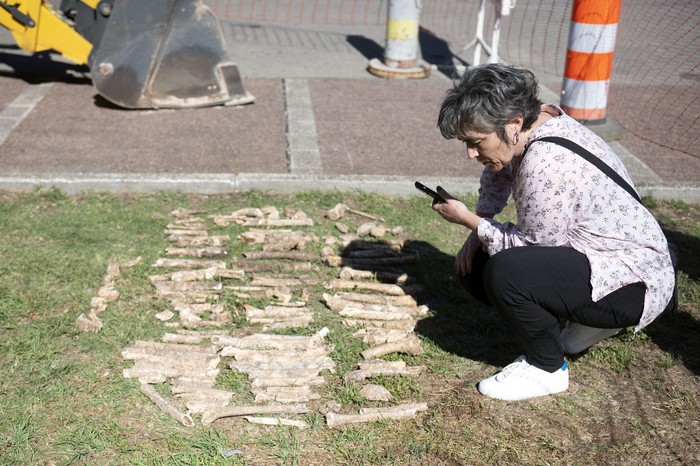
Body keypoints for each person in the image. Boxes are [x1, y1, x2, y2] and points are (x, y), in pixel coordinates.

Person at [431, 63, 676, 401]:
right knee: (479, 265)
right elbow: (498, 173)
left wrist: (469, 221)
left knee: (506, 272)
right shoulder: (539, 122)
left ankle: (546, 368)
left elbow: (528, 249)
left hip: (632, 281)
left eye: (475, 142)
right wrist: (479, 229)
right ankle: (587, 325)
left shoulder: (545, 163)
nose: (471, 153)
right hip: (619, 265)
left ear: (513, 123)